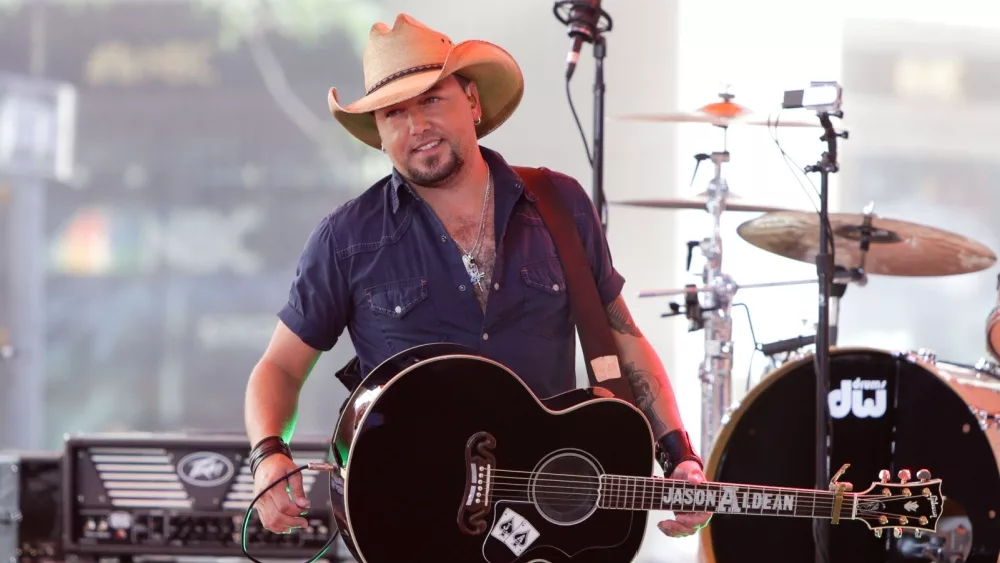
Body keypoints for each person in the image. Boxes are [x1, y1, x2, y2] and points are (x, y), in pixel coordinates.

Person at [243, 13, 711, 543]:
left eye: (431, 100)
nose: (417, 126)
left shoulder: (560, 204)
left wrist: (680, 457)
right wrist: (268, 454)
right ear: (378, 132)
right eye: (395, 113)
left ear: (472, 101)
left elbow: (624, 340)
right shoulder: (346, 238)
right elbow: (279, 367)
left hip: (543, 530)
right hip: (404, 525)